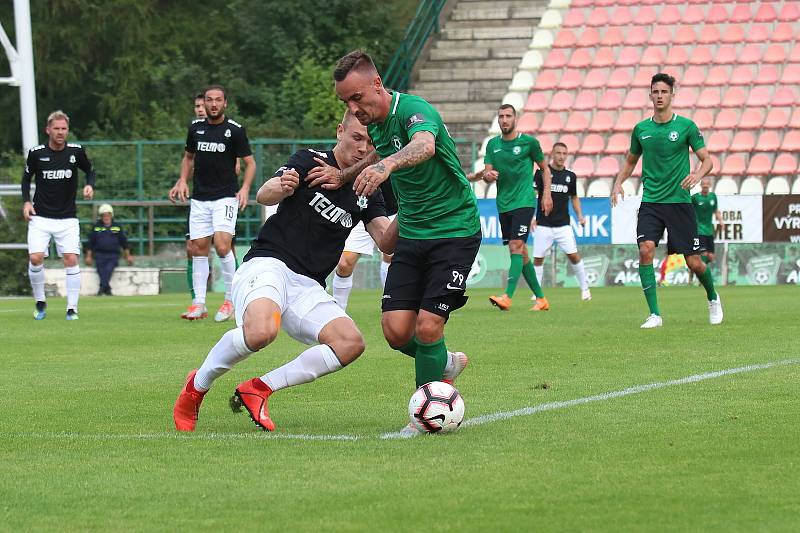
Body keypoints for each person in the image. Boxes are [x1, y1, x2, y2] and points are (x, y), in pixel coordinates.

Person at [173, 111, 409, 432]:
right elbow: (264, 194)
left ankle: (259, 389)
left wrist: (409, 212)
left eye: (369, 144)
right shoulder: (310, 159)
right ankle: (196, 388)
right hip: (269, 262)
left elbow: (385, 240)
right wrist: (283, 186)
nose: (361, 148)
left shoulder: (369, 187)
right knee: (260, 333)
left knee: (350, 343)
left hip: (308, 285)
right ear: (340, 131)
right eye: (356, 138)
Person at [308, 50, 476, 434]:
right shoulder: (379, 125)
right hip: (413, 232)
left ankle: (425, 416)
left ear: (377, 84)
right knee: (396, 333)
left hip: (454, 231)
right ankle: (444, 364)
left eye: (357, 97)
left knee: (428, 327)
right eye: (346, 102)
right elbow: (380, 152)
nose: (354, 107)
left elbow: (423, 147)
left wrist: (387, 166)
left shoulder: (415, 110)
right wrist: (344, 174)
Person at [611, 73, 722, 328]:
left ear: (673, 94)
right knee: (645, 249)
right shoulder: (642, 129)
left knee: (693, 261)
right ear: (650, 95)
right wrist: (618, 183)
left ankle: (713, 297)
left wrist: (697, 175)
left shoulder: (686, 127)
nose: (659, 96)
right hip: (651, 201)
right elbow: (630, 162)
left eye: (664, 92)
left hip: (680, 203)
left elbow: (708, 160)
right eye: (655, 92)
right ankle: (655, 314)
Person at [169, 85, 256, 322]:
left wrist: (245, 188)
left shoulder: (235, 131)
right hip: (200, 198)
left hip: (225, 197)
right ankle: (199, 303)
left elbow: (250, 163)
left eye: (218, 100)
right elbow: (188, 158)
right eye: (209, 100)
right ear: (204, 103)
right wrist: (182, 180)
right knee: (198, 247)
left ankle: (231, 299)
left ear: (225, 103)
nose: (214, 104)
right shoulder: (195, 129)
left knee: (222, 245)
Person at [477, 103, 553, 311]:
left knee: (515, 246)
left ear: (515, 119)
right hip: (503, 204)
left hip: (525, 202)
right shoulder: (493, 145)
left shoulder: (529, 143)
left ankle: (507, 297)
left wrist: (546, 195)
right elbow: (486, 173)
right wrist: (488, 176)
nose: (504, 120)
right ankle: (541, 299)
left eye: (508, 116)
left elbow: (545, 169)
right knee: (521, 253)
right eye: (501, 116)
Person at [21, 110, 95, 320]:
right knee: (35, 258)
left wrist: (90, 185)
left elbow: (90, 170)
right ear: (48, 130)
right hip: (40, 217)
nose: (61, 132)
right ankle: (40, 301)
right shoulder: (36, 153)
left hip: (67, 218)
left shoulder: (76, 152)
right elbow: (26, 179)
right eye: (56, 129)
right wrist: (26, 201)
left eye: (64, 129)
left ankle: (72, 308)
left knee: (71, 259)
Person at [532, 142, 591, 301]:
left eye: (564, 154)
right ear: (552, 154)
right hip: (543, 223)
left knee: (573, 255)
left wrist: (580, 215)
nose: (561, 157)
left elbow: (574, 197)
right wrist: (531, 217)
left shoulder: (570, 176)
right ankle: (537, 293)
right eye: (558, 153)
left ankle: (585, 289)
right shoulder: (541, 173)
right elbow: (533, 196)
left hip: (563, 225)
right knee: (538, 258)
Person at [331, 179, 398, 309]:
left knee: (390, 256)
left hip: (393, 211)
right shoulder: (363, 158)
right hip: (362, 209)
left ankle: (391, 304)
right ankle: (338, 310)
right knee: (345, 263)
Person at [84, 204, 133, 295]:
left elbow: (124, 242)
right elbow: (90, 243)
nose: (106, 217)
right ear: (101, 217)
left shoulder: (117, 227)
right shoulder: (96, 227)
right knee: (100, 269)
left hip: (113, 254)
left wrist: (128, 256)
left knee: (109, 268)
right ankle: (107, 288)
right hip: (99, 254)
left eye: (108, 215)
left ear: (111, 215)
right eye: (104, 215)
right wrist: (88, 256)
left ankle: (102, 287)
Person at [691, 177, 722, 266]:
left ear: (710, 185)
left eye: (707, 184)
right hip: (699, 230)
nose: (705, 186)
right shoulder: (695, 198)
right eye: (703, 184)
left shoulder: (713, 197)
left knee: (711, 256)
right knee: (703, 254)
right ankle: (701, 274)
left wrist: (721, 222)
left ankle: (701, 270)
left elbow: (716, 211)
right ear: (701, 185)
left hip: (709, 231)